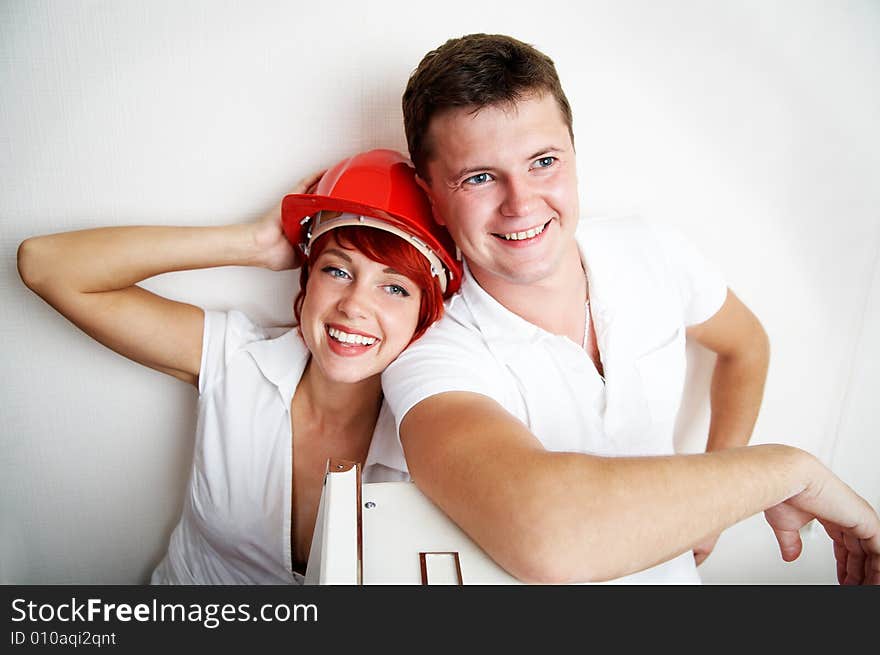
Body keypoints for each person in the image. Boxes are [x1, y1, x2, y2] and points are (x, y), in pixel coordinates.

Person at [371, 34, 880, 584]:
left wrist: (708, 514)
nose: (520, 204)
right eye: (479, 177)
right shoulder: (427, 343)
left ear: (572, 151)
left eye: (542, 162)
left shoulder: (650, 248)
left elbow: (745, 345)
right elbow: (550, 536)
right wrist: (785, 472)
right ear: (432, 196)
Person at [16, 148, 461, 584]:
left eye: (395, 288)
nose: (355, 307)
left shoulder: (439, 433)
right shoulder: (236, 359)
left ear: (425, 313)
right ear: (306, 279)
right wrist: (255, 244)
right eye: (337, 271)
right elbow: (45, 265)